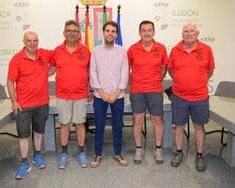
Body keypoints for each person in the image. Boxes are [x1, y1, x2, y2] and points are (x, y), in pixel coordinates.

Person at [168, 23, 215, 172]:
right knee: (179, 126)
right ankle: (179, 152)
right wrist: (183, 81)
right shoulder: (175, 50)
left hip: (199, 96)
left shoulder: (207, 49)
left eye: (192, 31)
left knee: (199, 126)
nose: (189, 34)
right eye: (186, 31)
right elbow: (170, 70)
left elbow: (210, 70)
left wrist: (197, 82)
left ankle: (199, 155)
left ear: (197, 33)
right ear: (182, 34)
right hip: (179, 96)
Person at [7, 31, 54, 179]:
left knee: (39, 132)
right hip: (24, 106)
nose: (32, 43)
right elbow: (10, 81)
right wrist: (14, 102)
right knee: (23, 135)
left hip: (42, 103)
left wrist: (46, 73)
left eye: (35, 40)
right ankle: (24, 163)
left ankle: (37, 156)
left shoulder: (44, 54)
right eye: (29, 41)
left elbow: (58, 62)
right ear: (24, 42)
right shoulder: (17, 59)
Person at [50, 20, 90, 169]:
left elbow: (90, 72)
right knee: (64, 124)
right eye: (69, 30)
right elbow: (51, 70)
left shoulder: (85, 51)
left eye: (75, 31)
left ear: (78, 34)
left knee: (80, 123)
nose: (72, 33)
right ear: (64, 33)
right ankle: (64, 154)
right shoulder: (57, 51)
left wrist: (90, 90)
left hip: (80, 95)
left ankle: (81, 152)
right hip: (63, 95)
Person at [127, 20, 168, 164]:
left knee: (157, 120)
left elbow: (163, 68)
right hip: (137, 91)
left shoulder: (161, 48)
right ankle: (139, 149)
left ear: (154, 32)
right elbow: (127, 69)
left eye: (149, 30)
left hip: (155, 90)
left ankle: (158, 149)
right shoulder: (132, 49)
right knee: (137, 120)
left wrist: (155, 80)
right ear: (139, 32)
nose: (146, 33)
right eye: (143, 30)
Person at [89, 21, 129, 168]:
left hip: (117, 96)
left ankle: (118, 153)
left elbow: (125, 73)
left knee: (117, 125)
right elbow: (92, 72)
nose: (110, 33)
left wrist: (116, 92)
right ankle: (98, 154)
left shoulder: (122, 51)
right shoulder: (96, 51)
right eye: (107, 31)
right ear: (103, 33)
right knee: (99, 126)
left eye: (113, 31)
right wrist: (102, 93)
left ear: (116, 34)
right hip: (100, 96)